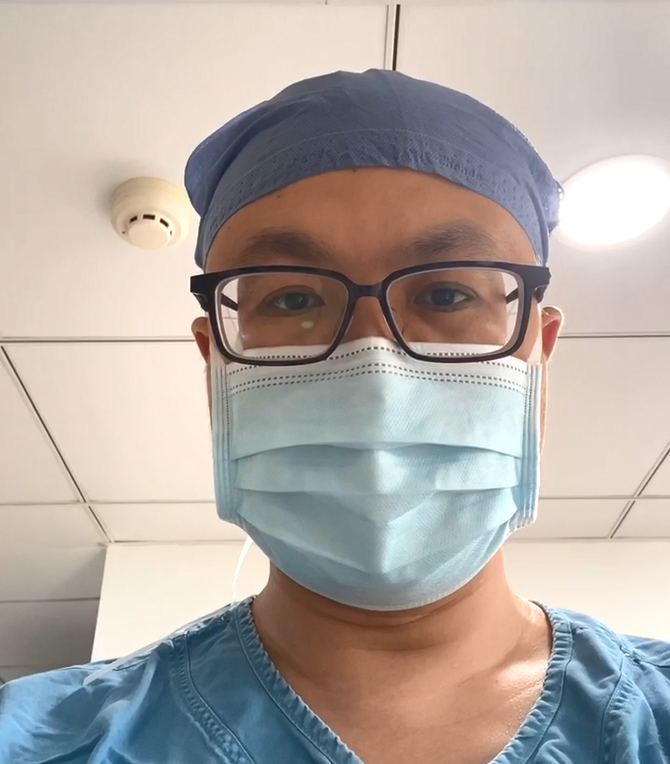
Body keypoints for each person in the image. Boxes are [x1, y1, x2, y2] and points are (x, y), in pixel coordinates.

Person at [1, 69, 668, 764]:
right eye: (292, 300)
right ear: (216, 367)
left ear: (538, 356)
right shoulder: (47, 743)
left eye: (445, 294)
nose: (373, 371)